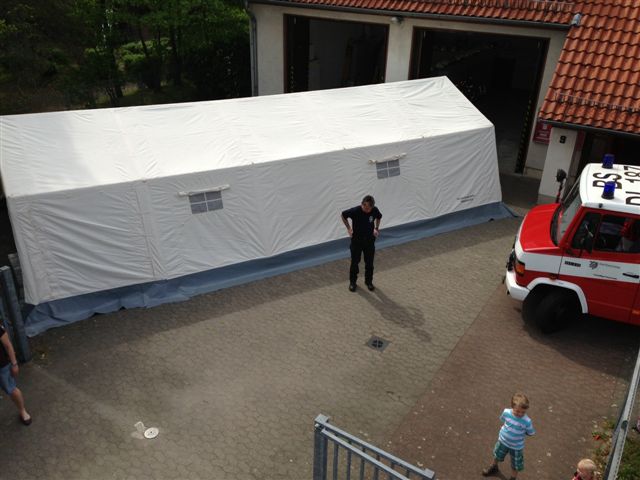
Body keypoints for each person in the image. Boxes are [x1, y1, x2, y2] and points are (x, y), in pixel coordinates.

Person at [482, 393, 535, 480]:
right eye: (517, 411)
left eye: (523, 412)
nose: (520, 414)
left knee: (516, 464)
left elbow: (531, 432)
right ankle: (494, 467)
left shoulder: (527, 421)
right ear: (512, 407)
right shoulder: (506, 412)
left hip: (516, 447)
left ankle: (513, 478)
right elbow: (504, 420)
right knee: (497, 455)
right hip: (503, 441)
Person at [341, 195, 382, 292]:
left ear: (372, 207)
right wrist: (349, 228)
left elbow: (379, 217)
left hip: (369, 241)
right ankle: (352, 282)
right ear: (362, 204)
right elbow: (343, 215)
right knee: (355, 262)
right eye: (365, 207)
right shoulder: (355, 211)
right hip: (357, 241)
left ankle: (369, 282)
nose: (366, 209)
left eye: (368, 208)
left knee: (369, 263)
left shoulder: (375, 210)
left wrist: (376, 228)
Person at [0, 323, 32, 425]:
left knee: (12, 389)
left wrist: (14, 364)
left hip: (2, 367)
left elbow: (8, 345)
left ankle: (22, 411)